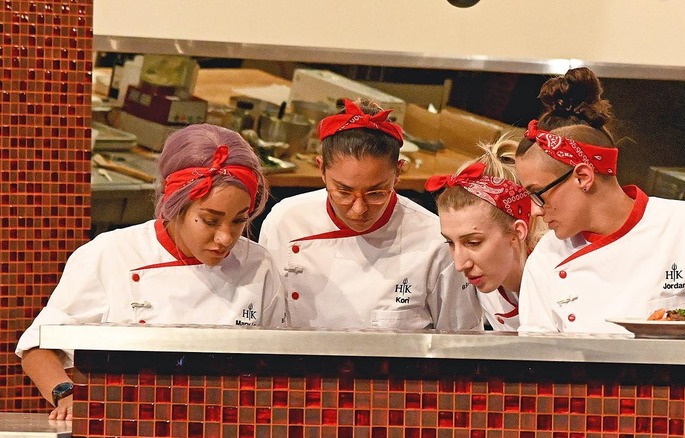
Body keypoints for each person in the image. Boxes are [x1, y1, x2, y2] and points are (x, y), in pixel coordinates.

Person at [16, 124, 288, 420]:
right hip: (129, 421)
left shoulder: (258, 265)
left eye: (238, 221)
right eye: (211, 220)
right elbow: (38, 348)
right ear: (175, 205)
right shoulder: (110, 255)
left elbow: (281, 362)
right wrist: (66, 394)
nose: (225, 237)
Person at [513, 68, 685, 333]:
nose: (534, 210)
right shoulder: (546, 258)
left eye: (538, 193)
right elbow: (540, 362)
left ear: (582, 176)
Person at [258, 98, 482, 330]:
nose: (359, 209)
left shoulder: (436, 241)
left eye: (376, 193)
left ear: (398, 172)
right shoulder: (286, 220)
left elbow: (459, 340)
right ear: (321, 169)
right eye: (343, 192)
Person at [425, 139, 543, 330]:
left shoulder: (558, 280)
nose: (460, 264)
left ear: (517, 232)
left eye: (473, 243)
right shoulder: (487, 283)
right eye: (450, 242)